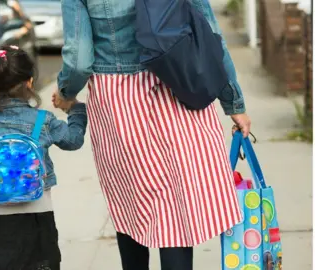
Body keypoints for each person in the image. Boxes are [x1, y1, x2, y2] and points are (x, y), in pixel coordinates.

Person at [52, 0, 252, 269]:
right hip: (177, 86)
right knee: (178, 206)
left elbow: (78, 60)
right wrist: (233, 103)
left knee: (129, 203)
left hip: (118, 100)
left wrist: (66, 93)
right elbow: (209, 35)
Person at [0, 45, 88, 270]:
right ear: (29, 82)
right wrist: (76, 111)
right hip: (37, 215)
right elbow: (73, 140)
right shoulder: (43, 121)